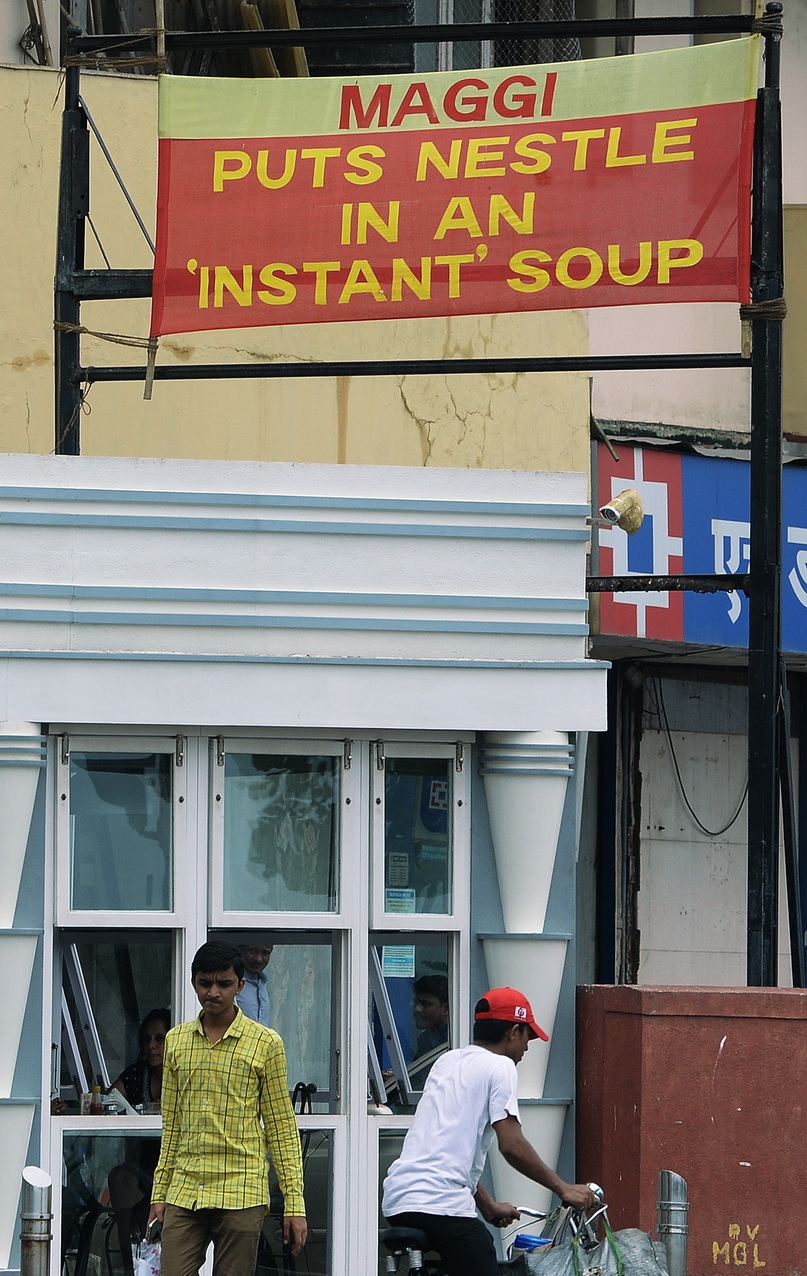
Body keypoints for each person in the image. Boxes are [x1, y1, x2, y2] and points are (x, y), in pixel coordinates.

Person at [382, 986, 598, 1276]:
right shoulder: (501, 1067)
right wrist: (564, 1188)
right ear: (512, 1032)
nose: (527, 1047)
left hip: (399, 1199)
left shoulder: (447, 1062)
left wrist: (488, 1206)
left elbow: (446, 1149)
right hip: (438, 1204)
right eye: (527, 1036)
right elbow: (511, 1145)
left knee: (475, 1244)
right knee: (482, 1253)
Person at [147, 940, 307, 1276]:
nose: (214, 993)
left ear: (240, 986)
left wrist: (294, 1202)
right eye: (205, 983)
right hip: (185, 1188)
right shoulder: (176, 1040)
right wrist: (158, 1194)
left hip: (242, 1189)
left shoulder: (265, 1043)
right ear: (193, 983)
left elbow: (280, 1125)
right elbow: (172, 1125)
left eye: (224, 983)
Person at [109, 1008, 171, 1108]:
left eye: (159, 1039)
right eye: (146, 1039)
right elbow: (107, 1102)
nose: (151, 1045)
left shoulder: (184, 1073)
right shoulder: (136, 1073)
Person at [410, 975, 450, 1088]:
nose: (417, 1009)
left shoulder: (451, 1043)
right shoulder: (426, 1039)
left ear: (446, 1009)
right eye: (416, 1002)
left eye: (425, 1004)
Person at [236, 941, 274, 1027]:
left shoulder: (262, 983)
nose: (258, 959)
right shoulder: (232, 983)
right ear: (240, 951)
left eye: (265, 953)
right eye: (253, 951)